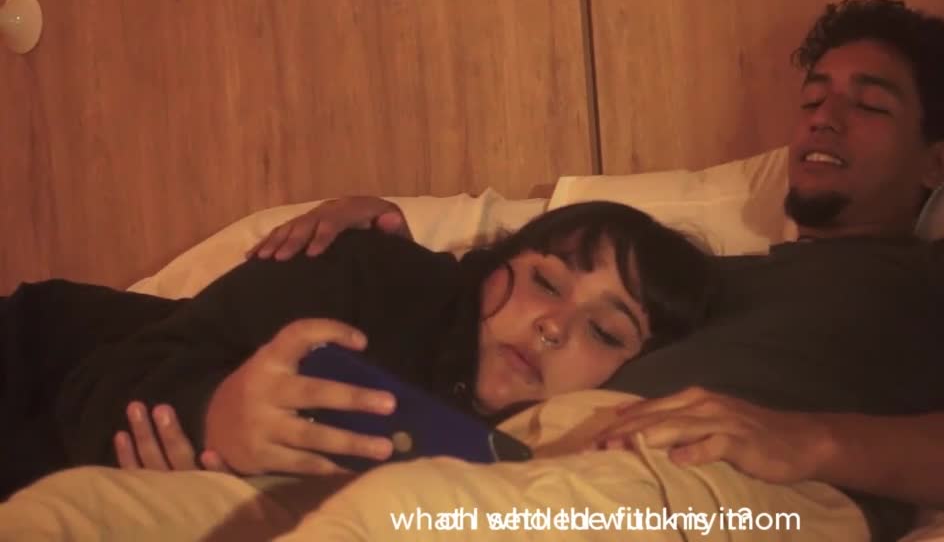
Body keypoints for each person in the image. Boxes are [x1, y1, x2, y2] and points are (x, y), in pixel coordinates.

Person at [118, 0, 944, 541]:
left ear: (938, 160)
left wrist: (807, 441)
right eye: (813, 98)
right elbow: (526, 269)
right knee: (113, 514)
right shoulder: (698, 278)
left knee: (379, 522)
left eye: (868, 104)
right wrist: (384, 224)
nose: (824, 119)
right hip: (528, 461)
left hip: (728, 486)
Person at [0, 201, 717, 499]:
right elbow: (110, 372)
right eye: (545, 282)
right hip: (33, 361)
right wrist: (214, 412)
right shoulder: (371, 273)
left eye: (604, 331)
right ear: (494, 266)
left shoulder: (551, 458)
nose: (553, 325)